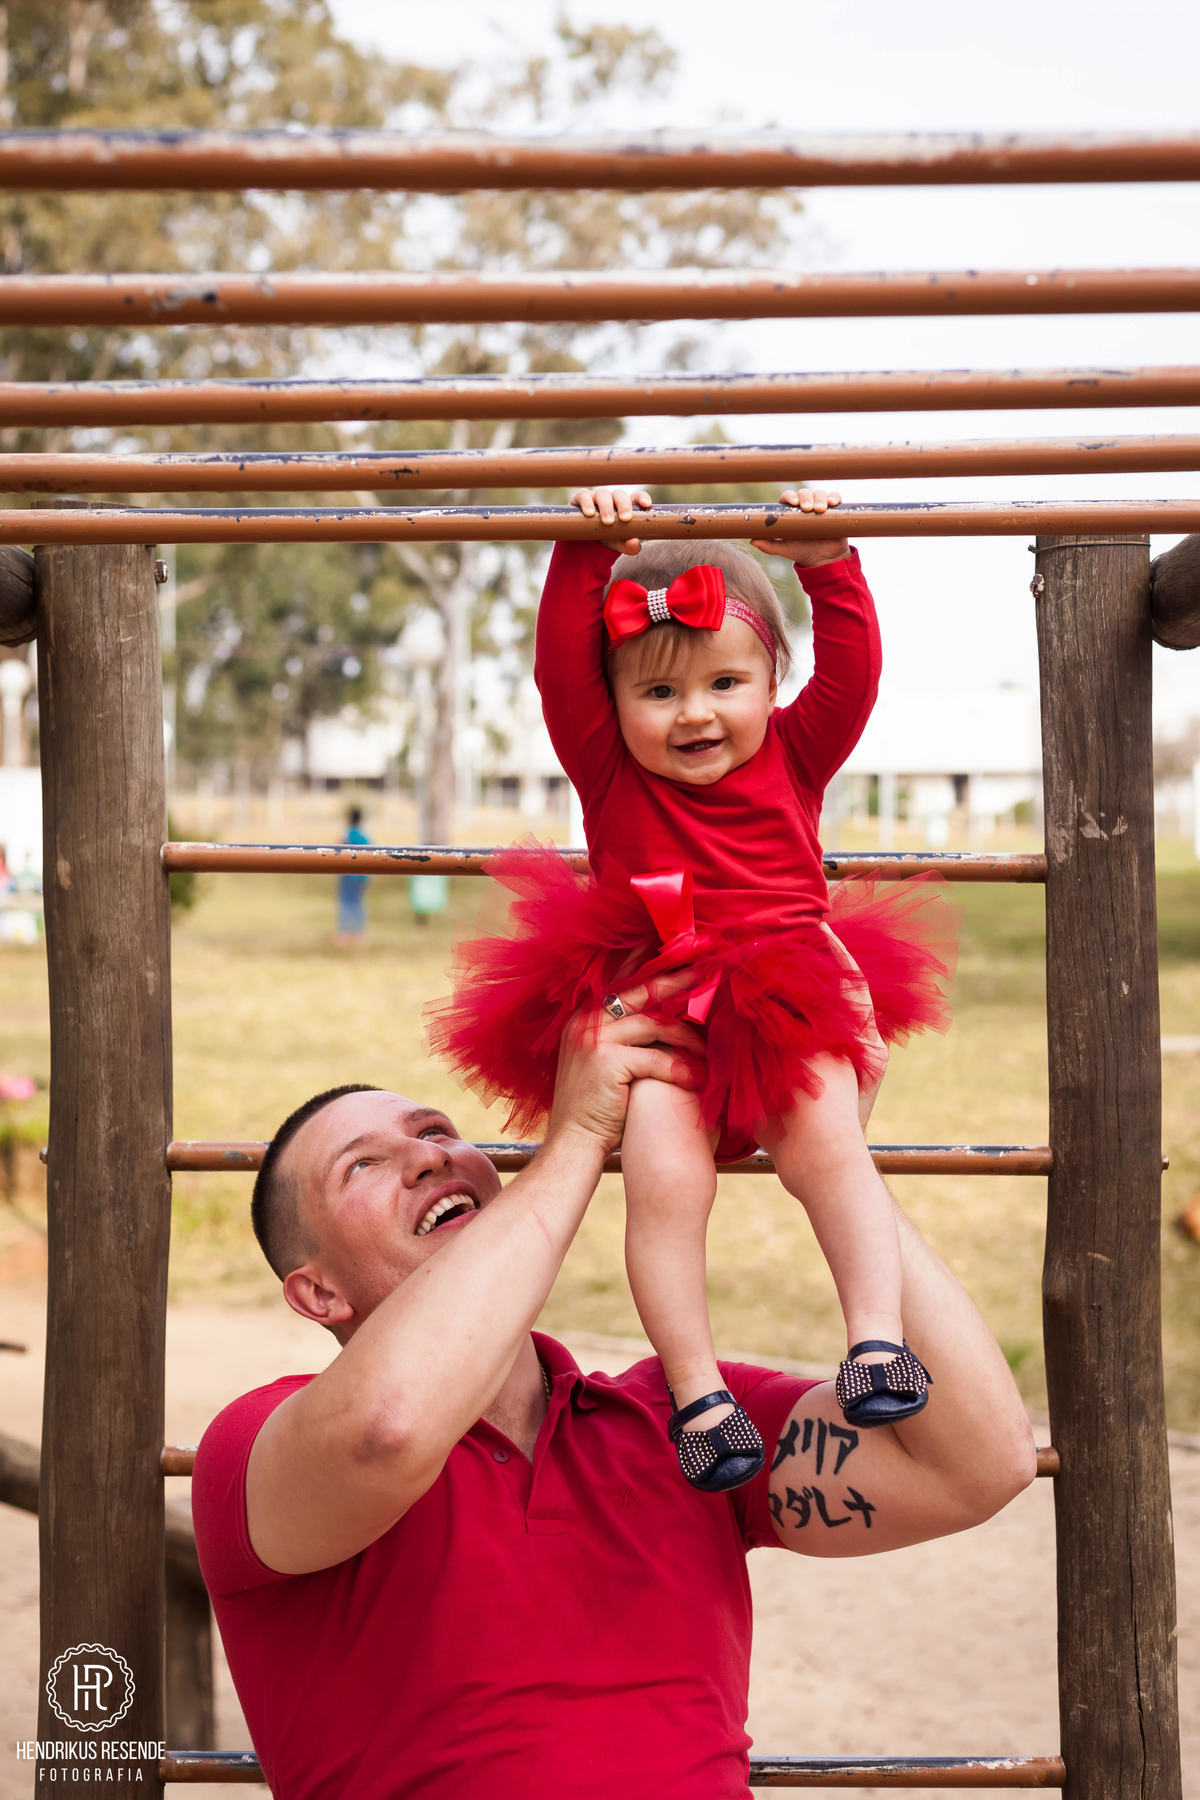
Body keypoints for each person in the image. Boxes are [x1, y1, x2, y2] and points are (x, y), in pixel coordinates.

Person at [191, 979, 1036, 1800]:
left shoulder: (691, 1417)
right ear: (318, 1295)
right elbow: (388, 1429)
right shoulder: (251, 1448)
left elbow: (977, 1465)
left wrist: (829, 1159)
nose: (430, 1157)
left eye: (437, 1130)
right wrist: (577, 1141)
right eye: (364, 1165)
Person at [428, 486, 957, 1493]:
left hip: (786, 1003)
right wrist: (583, 551)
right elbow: (557, 670)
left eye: (725, 682)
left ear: (771, 681)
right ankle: (699, 1395)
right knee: (665, 1183)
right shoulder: (607, 770)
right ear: (612, 703)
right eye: (659, 692)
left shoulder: (796, 753)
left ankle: (876, 1341)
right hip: (659, 1017)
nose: (697, 713)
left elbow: (854, 674)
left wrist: (829, 563)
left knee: (829, 1148)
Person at [333, 804, 371, 945]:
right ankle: (358, 933)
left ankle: (343, 933)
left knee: (345, 904)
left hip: (348, 876)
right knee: (358, 904)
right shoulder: (365, 836)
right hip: (361, 876)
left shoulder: (347, 834)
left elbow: (337, 852)